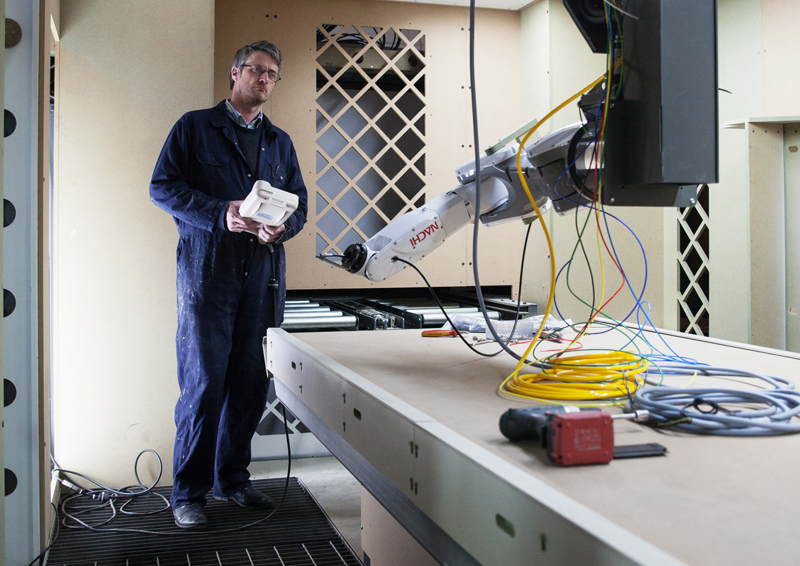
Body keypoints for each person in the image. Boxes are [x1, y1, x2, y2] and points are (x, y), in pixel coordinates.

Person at [149, 41, 308, 529]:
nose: (264, 80)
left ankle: (233, 482)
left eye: (272, 74)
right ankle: (188, 494)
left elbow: (299, 205)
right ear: (235, 74)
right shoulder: (195, 127)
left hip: (262, 278)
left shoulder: (280, 142)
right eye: (257, 71)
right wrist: (222, 213)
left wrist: (283, 226)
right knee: (202, 386)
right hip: (207, 275)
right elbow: (163, 187)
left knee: (250, 384)